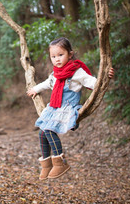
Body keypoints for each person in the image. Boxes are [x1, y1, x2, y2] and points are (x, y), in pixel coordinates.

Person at [26, 37, 114, 180]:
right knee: (42, 132)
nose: (57, 59)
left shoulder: (76, 72)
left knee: (49, 130)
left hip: (67, 108)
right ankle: (46, 165)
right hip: (54, 108)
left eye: (61, 55)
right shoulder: (55, 74)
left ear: (70, 54)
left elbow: (93, 82)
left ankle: (60, 162)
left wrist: (105, 78)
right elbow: (47, 83)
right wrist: (35, 89)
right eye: (53, 57)